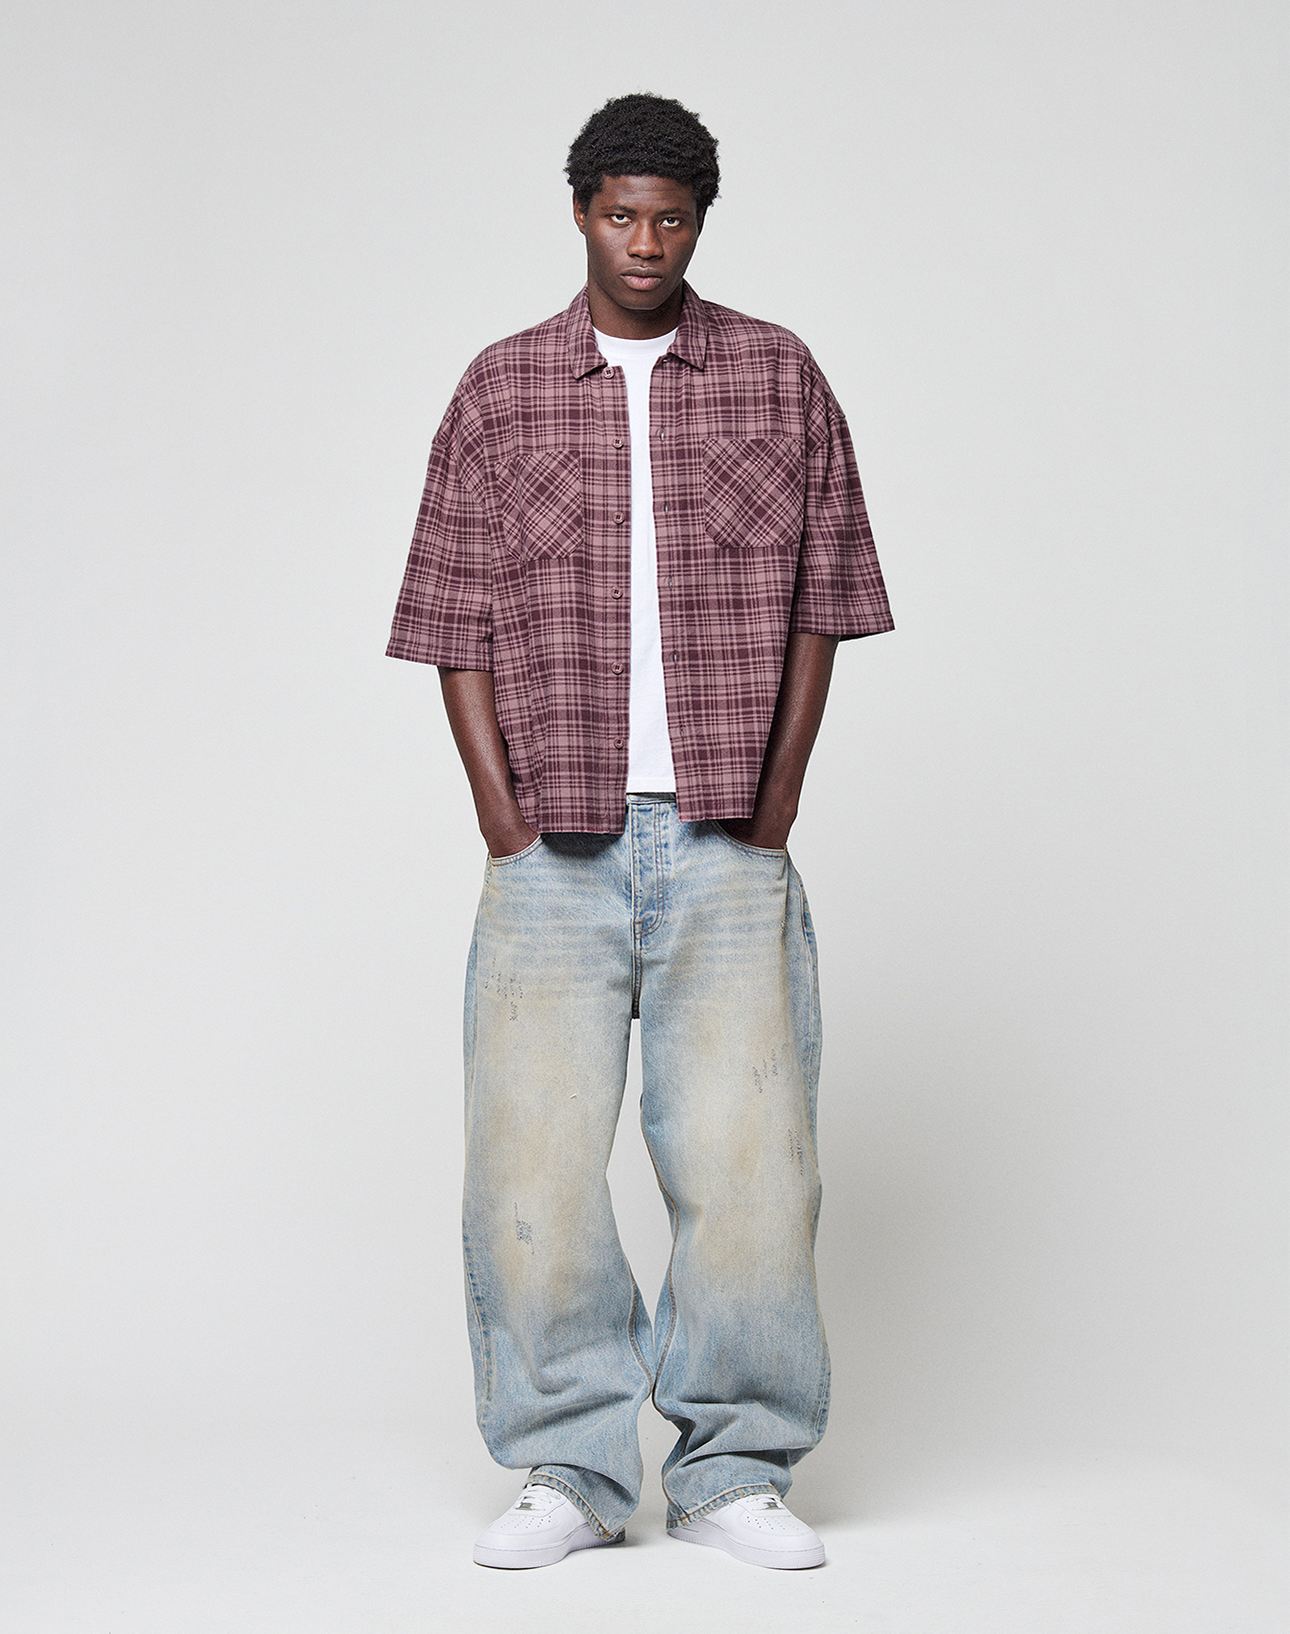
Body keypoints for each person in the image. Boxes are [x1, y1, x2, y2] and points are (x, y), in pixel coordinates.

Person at [387, 92, 893, 1571]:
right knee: (530, 1165)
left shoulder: (778, 375)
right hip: (550, 835)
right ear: (578, 212)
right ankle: (569, 1463)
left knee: (748, 1161)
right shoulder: (500, 389)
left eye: (671, 217)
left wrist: (783, 786)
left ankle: (735, 1464)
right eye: (620, 212)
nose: (645, 241)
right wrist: (496, 805)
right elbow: (445, 612)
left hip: (731, 833)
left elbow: (828, 595)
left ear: (699, 222)